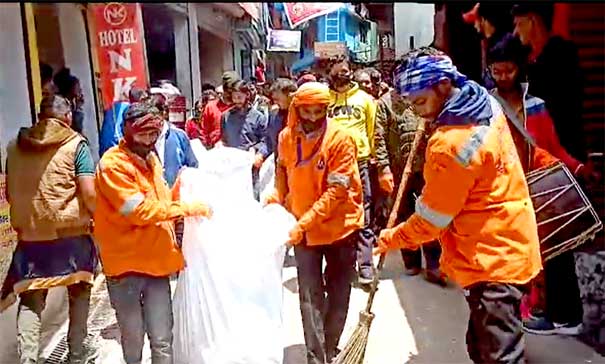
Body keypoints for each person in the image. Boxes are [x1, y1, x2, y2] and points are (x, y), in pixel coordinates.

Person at [376, 48, 542, 363]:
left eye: (421, 103)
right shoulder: (483, 102)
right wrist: (436, 116)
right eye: (412, 105)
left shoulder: (449, 145)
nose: (419, 113)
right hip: (511, 240)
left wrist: (390, 239)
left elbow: (430, 221)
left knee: (499, 356)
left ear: (443, 85)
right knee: (481, 347)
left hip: (492, 259)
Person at [94, 102, 211, 364]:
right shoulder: (113, 165)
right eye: (142, 134)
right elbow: (139, 212)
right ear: (127, 132)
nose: (148, 140)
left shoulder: (151, 159)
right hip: (126, 267)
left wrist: (181, 194)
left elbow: (161, 198)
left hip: (157, 262)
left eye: (153, 134)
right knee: (133, 340)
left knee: (162, 339)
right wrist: (184, 208)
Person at [266, 82, 364, 364]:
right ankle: (316, 357)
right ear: (296, 109)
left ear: (326, 109)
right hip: (304, 231)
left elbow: (336, 192)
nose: (311, 118)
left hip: (340, 226)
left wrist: (304, 222)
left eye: (317, 111)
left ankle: (331, 346)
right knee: (309, 297)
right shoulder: (286, 137)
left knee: (338, 292)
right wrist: (277, 195)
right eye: (305, 111)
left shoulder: (341, 140)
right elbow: (282, 170)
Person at [2, 95, 97, 364]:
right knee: (79, 289)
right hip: (71, 235)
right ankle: (77, 353)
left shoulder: (14, 147)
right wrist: (99, 218)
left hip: (31, 236)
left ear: (39, 116)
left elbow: (11, 192)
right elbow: (89, 193)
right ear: (67, 117)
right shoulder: (76, 144)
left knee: (31, 297)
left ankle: (28, 359)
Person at [374, 49, 445, 286]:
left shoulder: (423, 97)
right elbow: (379, 137)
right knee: (403, 214)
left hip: (426, 168)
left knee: (430, 213)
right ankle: (411, 261)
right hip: (398, 169)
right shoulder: (386, 103)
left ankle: (434, 263)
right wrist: (383, 169)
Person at [327, 55, 388, 285]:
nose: (342, 74)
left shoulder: (365, 100)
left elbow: (375, 130)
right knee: (337, 213)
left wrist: (377, 161)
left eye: (345, 70)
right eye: (337, 71)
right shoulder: (325, 100)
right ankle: (341, 266)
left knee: (364, 213)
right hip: (333, 165)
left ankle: (365, 267)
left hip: (360, 162)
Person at [512, 3, 585, 162]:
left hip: (565, 151)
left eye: (519, 24)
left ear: (532, 21)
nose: (515, 32)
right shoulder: (527, 62)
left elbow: (566, 110)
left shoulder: (561, 56)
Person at [463, 2, 513, 89]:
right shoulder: (488, 42)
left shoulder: (505, 45)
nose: (474, 26)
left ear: (482, 20)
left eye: (475, 21)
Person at [99, 87, 148, 157]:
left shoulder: (115, 108)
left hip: (105, 150)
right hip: (114, 151)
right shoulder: (128, 110)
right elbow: (117, 136)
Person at [199, 72, 238, 149]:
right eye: (229, 90)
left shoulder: (240, 107)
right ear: (224, 89)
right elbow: (203, 133)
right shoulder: (210, 108)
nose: (231, 94)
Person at [267, 78, 297, 160]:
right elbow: (268, 141)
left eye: (277, 99)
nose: (275, 102)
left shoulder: (303, 116)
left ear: (289, 96)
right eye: (274, 99)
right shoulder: (273, 115)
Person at [54, 68, 85, 134]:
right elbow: (76, 127)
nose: (80, 89)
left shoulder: (73, 104)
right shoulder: (61, 105)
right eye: (78, 86)